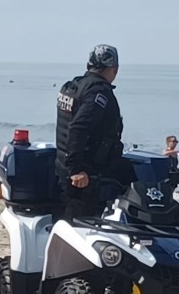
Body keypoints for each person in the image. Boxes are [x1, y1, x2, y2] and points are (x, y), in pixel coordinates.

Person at [55, 44, 134, 219]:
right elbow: (78, 127)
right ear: (115, 69)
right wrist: (77, 169)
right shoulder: (98, 93)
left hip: (63, 161)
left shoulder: (73, 87)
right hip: (86, 172)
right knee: (81, 222)